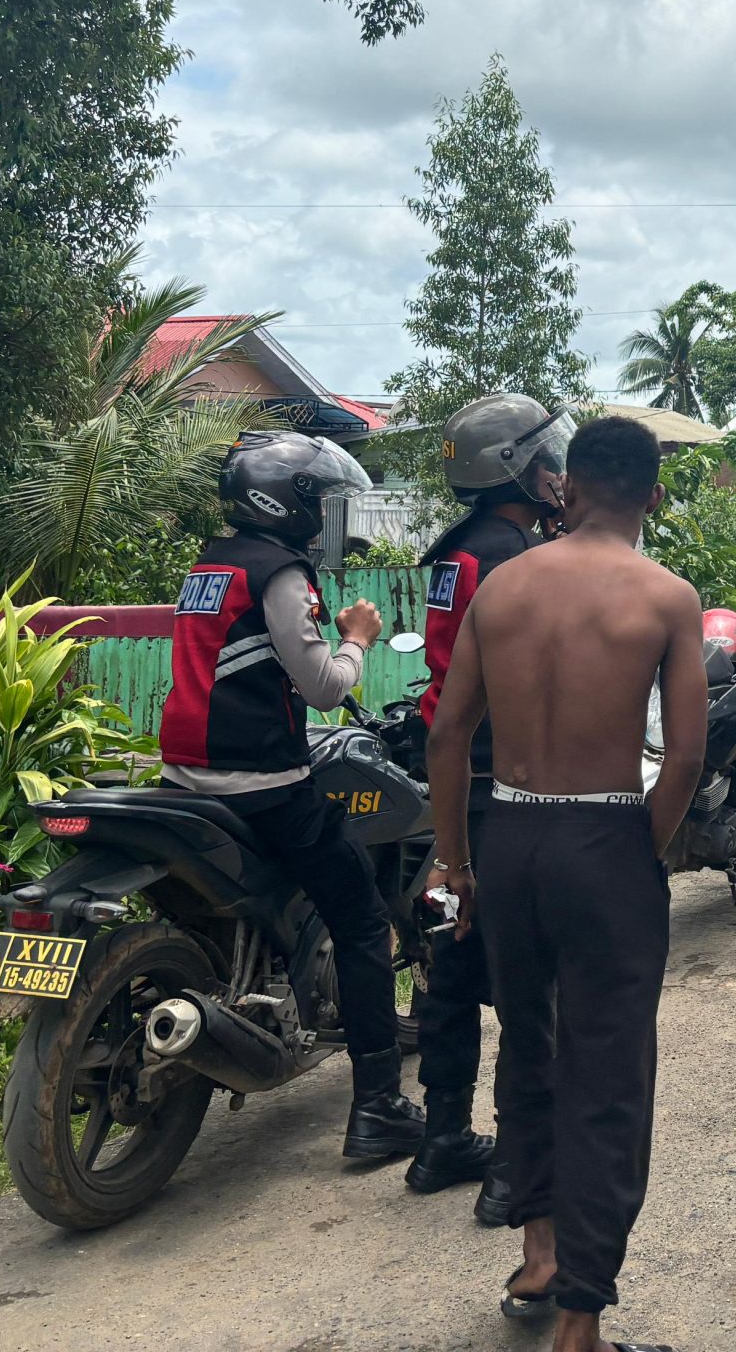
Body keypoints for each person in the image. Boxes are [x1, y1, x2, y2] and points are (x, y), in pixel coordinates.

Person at [426, 415, 706, 1352]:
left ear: (568, 488)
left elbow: (448, 732)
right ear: (653, 495)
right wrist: (640, 849)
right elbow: (685, 757)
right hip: (606, 834)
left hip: (509, 836)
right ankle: (580, 1317)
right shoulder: (666, 597)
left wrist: (457, 862)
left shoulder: (502, 586)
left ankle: (538, 1253)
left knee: (527, 1045)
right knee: (609, 1073)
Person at [159, 431, 424, 1160]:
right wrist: (358, 637)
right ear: (289, 504)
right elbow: (326, 688)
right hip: (261, 783)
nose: (325, 517)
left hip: (184, 777)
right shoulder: (280, 574)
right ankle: (378, 1106)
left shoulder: (210, 566)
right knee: (364, 921)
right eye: (320, 502)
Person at [406, 392, 573, 1218]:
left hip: (449, 786)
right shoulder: (516, 558)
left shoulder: (458, 551)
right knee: (526, 984)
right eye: (546, 460)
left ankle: (442, 1138)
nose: (556, 472)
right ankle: (513, 1169)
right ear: (517, 469)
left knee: (448, 970)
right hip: (502, 784)